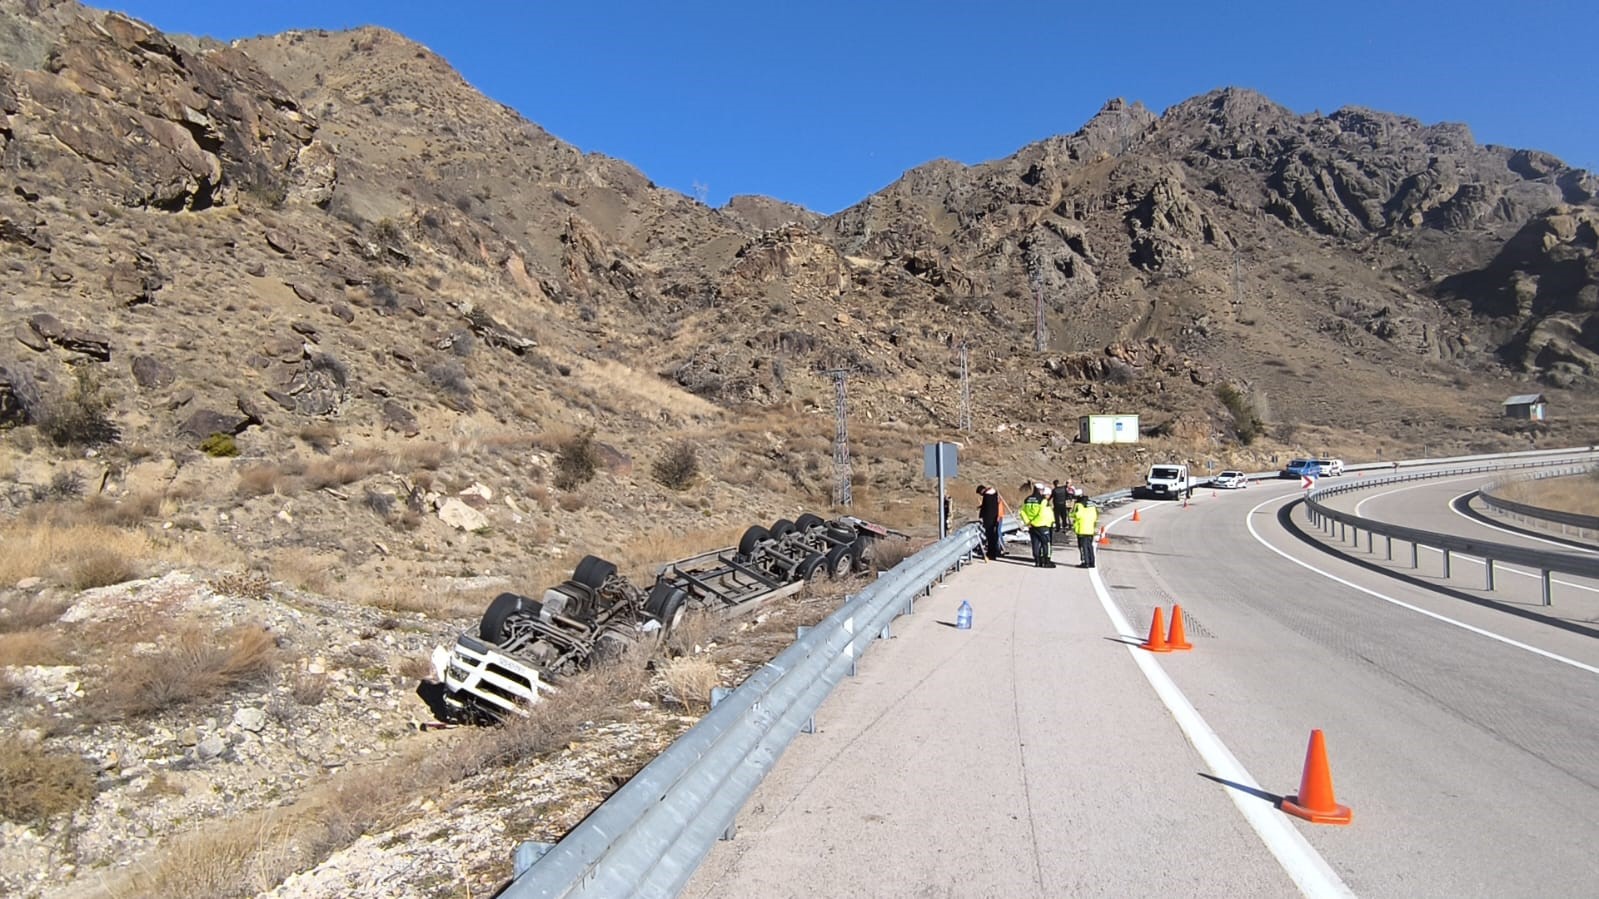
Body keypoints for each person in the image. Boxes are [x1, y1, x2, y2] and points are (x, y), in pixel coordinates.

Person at [1018, 482, 1056, 568]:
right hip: (1042, 524)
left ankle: (1037, 562)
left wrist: (1028, 522)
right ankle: (1046, 562)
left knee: (1035, 544)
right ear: (1039, 490)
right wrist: (1034, 522)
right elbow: (1041, 513)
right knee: (1045, 543)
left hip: (1031, 526)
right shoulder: (1042, 501)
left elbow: (1022, 512)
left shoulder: (1027, 499)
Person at [1071, 493, 1101, 568]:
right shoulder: (1092, 505)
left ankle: (1085, 562)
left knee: (1083, 547)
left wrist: (1072, 514)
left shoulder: (1079, 505)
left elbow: (1077, 515)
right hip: (1090, 529)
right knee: (1089, 546)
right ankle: (1092, 562)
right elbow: (1095, 516)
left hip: (1082, 529)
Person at [976, 485, 1004, 560]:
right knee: (994, 536)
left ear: (982, 491)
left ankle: (990, 554)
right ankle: (995, 552)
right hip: (996, 518)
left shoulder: (986, 496)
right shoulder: (995, 494)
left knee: (990, 537)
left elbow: (986, 508)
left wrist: (981, 516)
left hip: (988, 519)